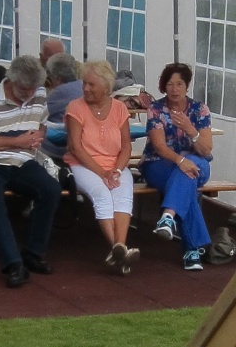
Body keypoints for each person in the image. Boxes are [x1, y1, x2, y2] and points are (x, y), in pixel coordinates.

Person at [0, 55, 62, 288]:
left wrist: (38, 136)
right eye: (24, 89)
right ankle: (13, 264)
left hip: (21, 161)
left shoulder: (40, 94)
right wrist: (17, 142)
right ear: (11, 80)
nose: (29, 94)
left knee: (51, 190)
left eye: (33, 89)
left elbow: (42, 124)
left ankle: (33, 253)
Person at [64, 60, 138, 274]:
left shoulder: (119, 108)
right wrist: (102, 173)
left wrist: (117, 170)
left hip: (114, 165)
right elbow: (75, 148)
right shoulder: (75, 107)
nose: (86, 88)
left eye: (91, 85)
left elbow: (126, 146)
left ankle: (119, 250)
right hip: (83, 164)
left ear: (106, 88)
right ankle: (120, 249)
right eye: (84, 83)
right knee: (102, 195)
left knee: (123, 194)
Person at [140, 62, 214, 271]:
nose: (174, 89)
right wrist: (181, 161)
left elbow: (206, 150)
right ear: (164, 86)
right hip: (160, 164)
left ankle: (168, 217)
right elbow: (159, 147)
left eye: (179, 84)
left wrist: (190, 129)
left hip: (196, 163)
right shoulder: (156, 109)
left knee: (191, 169)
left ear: (187, 86)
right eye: (170, 84)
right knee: (186, 182)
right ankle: (191, 251)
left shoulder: (200, 110)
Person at [41, 52, 83, 161]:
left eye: (49, 75)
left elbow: (38, 113)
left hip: (63, 146)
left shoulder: (60, 92)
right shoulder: (82, 85)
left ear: (57, 78)